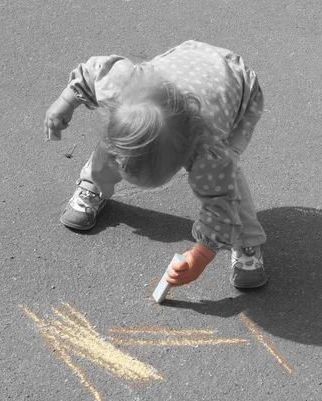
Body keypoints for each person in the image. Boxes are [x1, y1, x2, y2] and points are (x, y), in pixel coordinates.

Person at [43, 40, 267, 289]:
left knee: (229, 174)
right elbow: (92, 71)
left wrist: (202, 255)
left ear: (181, 161)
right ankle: (94, 183)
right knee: (119, 141)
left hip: (236, 86)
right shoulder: (119, 85)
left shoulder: (208, 153)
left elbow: (221, 201)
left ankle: (246, 239)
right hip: (184, 64)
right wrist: (65, 103)